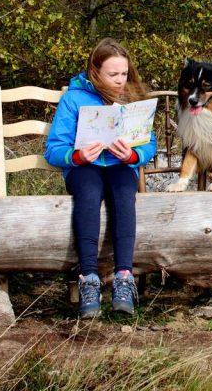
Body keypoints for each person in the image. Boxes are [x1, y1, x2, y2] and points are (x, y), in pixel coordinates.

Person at [44, 38, 157, 317]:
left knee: (123, 194)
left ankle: (123, 279)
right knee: (89, 193)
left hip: (120, 165)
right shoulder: (74, 98)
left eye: (124, 74)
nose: (120, 80)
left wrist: (133, 156)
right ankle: (89, 280)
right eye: (113, 74)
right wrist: (77, 156)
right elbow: (54, 148)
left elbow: (148, 144)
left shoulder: (133, 97)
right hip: (85, 167)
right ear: (95, 72)